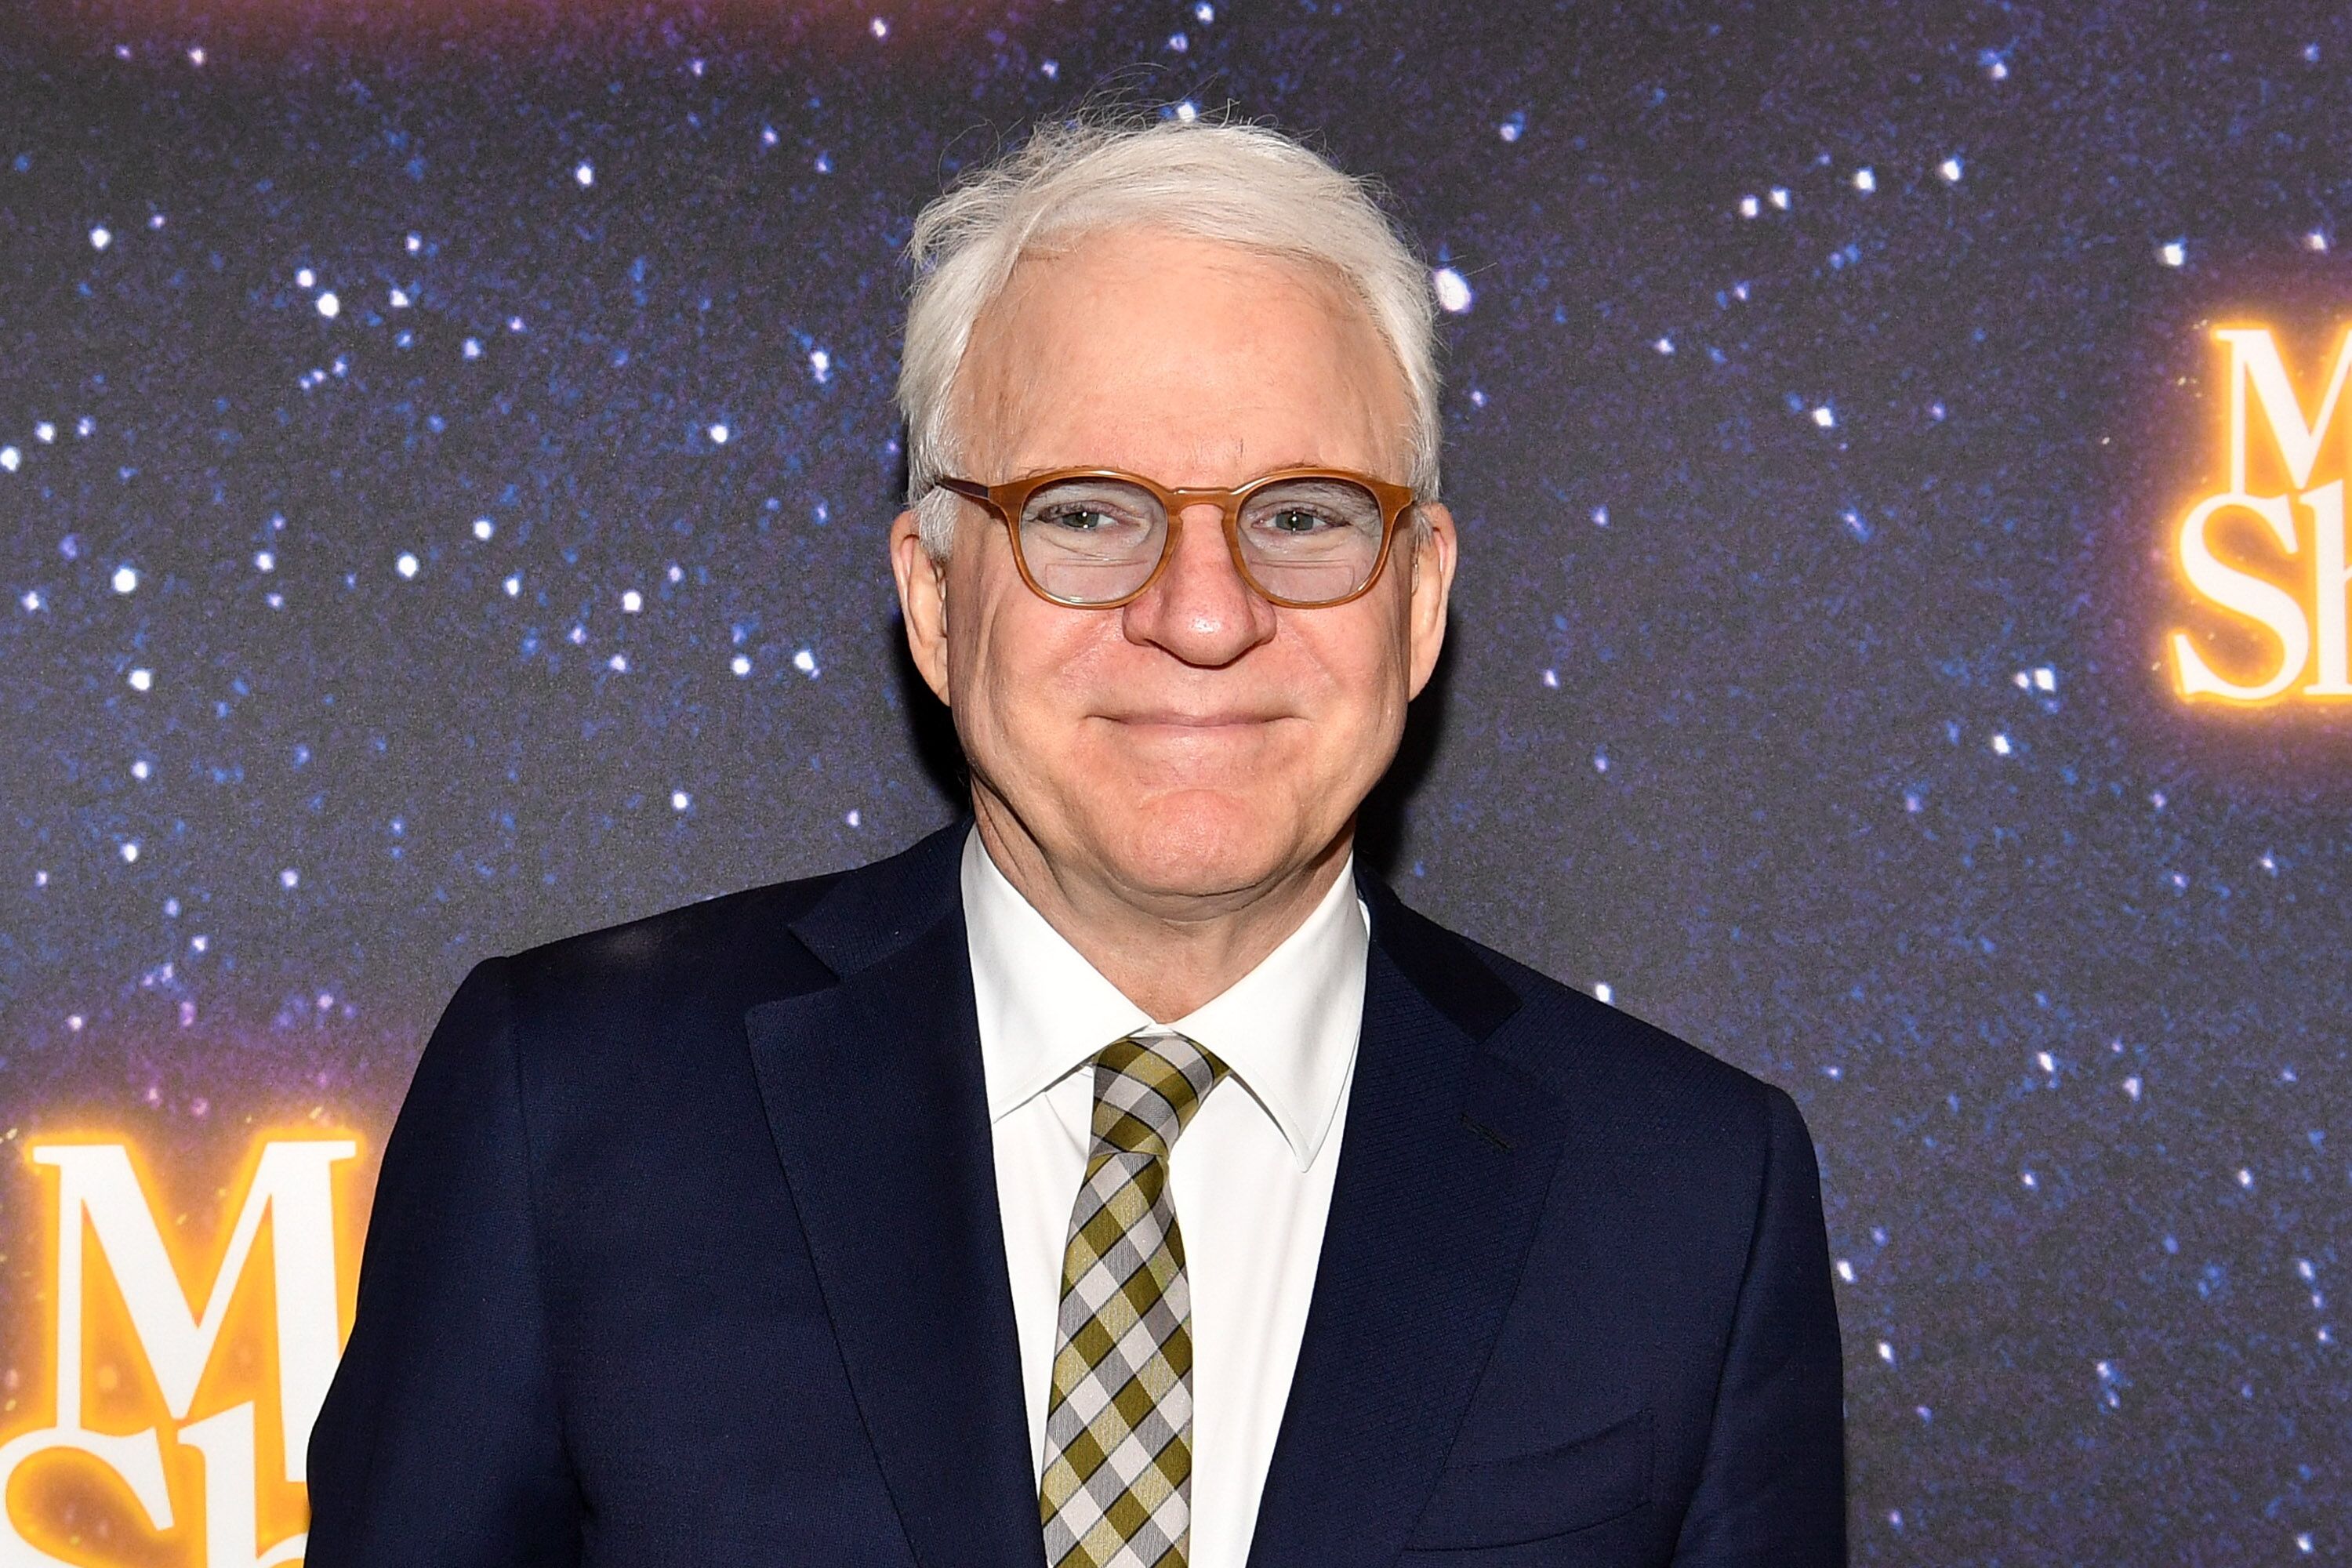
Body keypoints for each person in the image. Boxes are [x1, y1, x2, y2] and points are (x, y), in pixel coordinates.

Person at [305, 110, 1846, 1568]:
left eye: (1303, 513)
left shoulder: (1689, 1199)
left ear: (1421, 592)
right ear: (932, 592)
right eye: (1087, 511)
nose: (1200, 612)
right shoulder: (571, 1105)